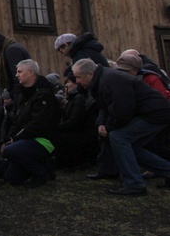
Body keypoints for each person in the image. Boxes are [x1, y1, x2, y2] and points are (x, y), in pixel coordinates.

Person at [72, 58, 170, 195]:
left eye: (78, 77)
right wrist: (101, 123)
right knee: (132, 147)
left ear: (90, 74)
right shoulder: (102, 80)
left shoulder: (110, 80)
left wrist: (109, 127)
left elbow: (123, 110)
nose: (77, 81)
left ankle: (135, 184)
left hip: (155, 113)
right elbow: (105, 107)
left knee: (118, 137)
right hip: (151, 112)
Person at [1, 59, 60, 188]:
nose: (16, 75)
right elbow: (16, 119)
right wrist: (8, 137)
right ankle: (45, 165)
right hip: (26, 139)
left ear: (31, 72)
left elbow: (38, 124)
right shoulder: (23, 95)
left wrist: (15, 139)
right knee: (13, 179)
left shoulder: (44, 95)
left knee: (9, 151)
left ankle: (41, 173)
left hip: (44, 140)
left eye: (20, 72)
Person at [54, 72, 98, 169]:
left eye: (68, 82)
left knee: (57, 136)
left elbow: (74, 122)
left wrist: (55, 127)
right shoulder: (74, 98)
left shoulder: (79, 98)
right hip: (80, 132)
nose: (66, 86)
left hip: (83, 135)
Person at [0, 31, 31, 101]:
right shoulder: (13, 47)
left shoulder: (12, 50)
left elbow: (17, 76)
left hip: (23, 93)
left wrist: (16, 98)